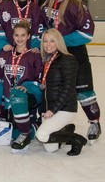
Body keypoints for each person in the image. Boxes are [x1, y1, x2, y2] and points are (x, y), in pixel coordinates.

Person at [42, 0, 101, 143]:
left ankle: (94, 122)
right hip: (56, 56)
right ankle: (61, 123)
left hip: (76, 55)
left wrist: (60, 40)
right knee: (58, 91)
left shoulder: (77, 5)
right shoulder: (47, 5)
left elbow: (86, 34)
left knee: (84, 91)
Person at [0, 21, 43, 153]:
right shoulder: (3, 55)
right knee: (9, 134)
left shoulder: (34, 57)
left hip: (25, 100)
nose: (19, 39)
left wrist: (28, 87)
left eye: (23, 35)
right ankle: (30, 127)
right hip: (7, 101)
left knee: (17, 133)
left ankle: (35, 125)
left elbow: (39, 81)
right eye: (17, 35)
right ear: (12, 36)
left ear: (28, 36)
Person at [35, 28, 87, 156]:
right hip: (50, 107)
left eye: (52, 41)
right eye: (45, 41)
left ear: (59, 42)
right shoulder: (46, 59)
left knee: (41, 135)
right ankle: (66, 129)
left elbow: (68, 88)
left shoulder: (67, 59)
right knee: (50, 149)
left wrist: (53, 110)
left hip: (64, 108)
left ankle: (76, 139)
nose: (48, 44)